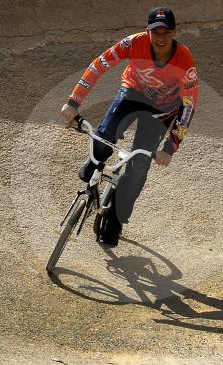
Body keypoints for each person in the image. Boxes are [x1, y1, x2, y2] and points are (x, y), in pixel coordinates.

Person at [60, 6, 199, 247]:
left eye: (167, 32)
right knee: (104, 134)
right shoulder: (132, 43)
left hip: (162, 110)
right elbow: (97, 66)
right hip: (132, 93)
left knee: (137, 169)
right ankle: (95, 162)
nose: (161, 38)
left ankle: (115, 221)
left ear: (175, 32)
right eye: (156, 32)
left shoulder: (184, 60)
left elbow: (188, 106)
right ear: (148, 31)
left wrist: (169, 148)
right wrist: (73, 102)